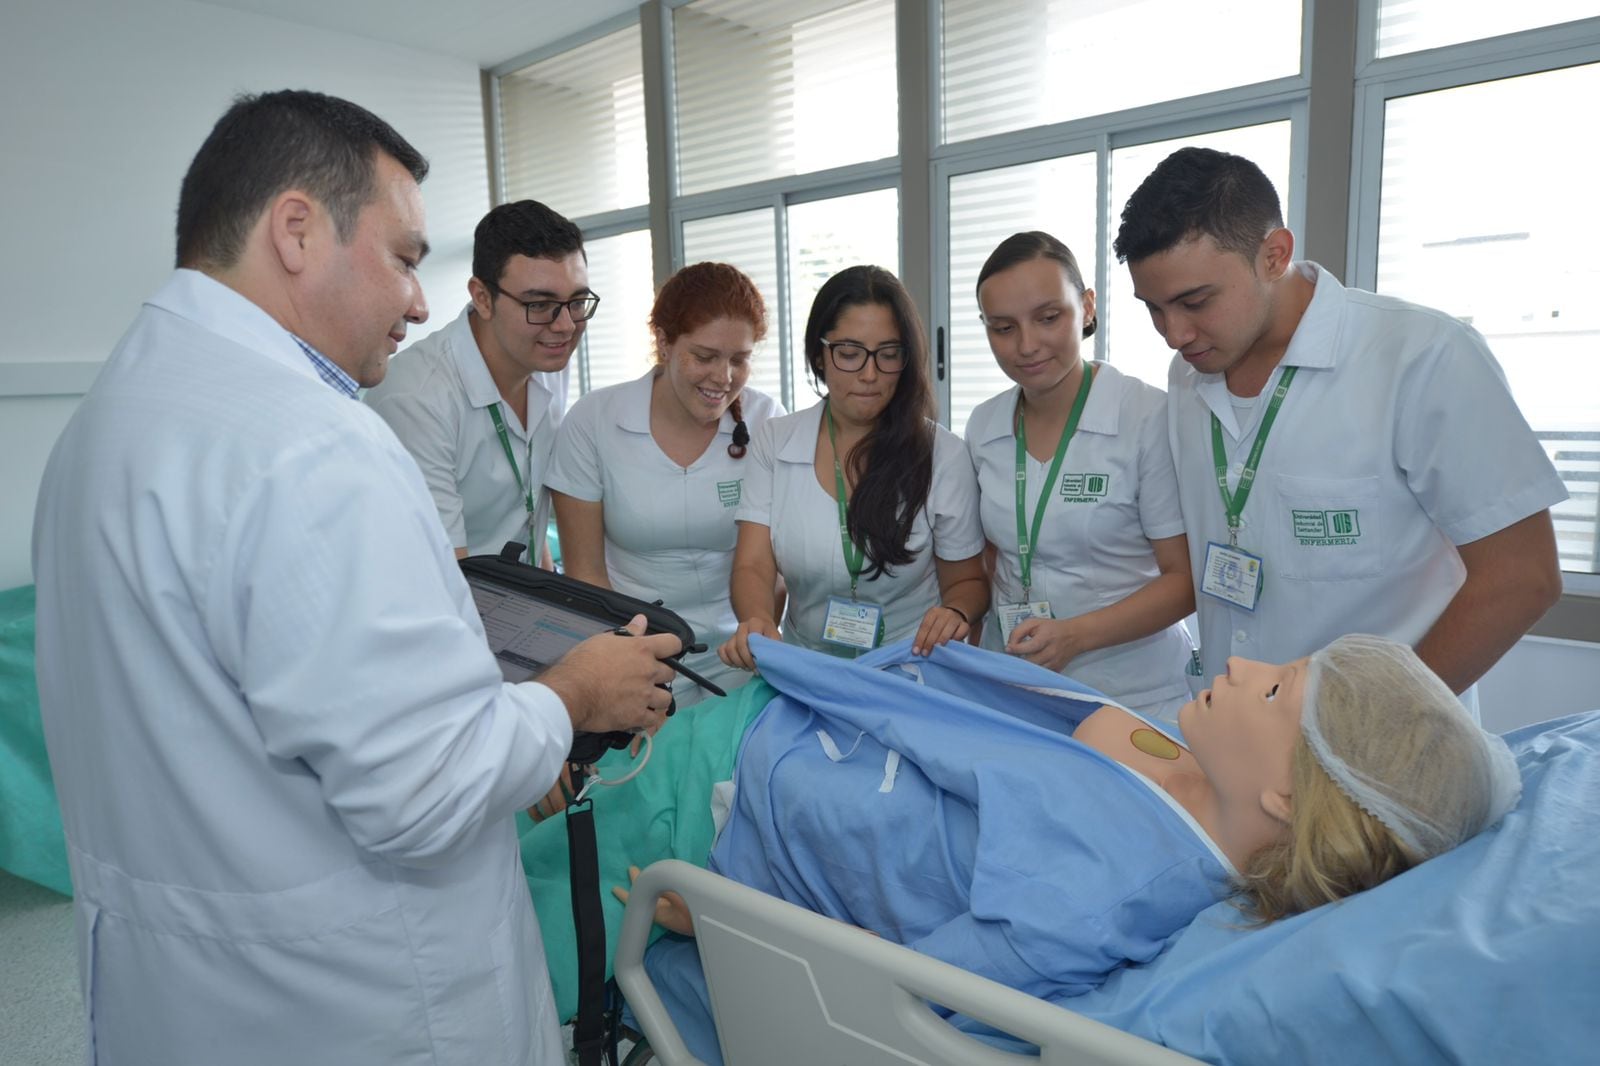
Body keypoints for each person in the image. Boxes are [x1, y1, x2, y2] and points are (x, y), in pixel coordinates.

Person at [29, 90, 681, 1066]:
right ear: (296, 229)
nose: (419, 302)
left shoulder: (108, 421)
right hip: (358, 1006)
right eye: (407, 258)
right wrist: (576, 691)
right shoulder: (313, 445)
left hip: (188, 994)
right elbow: (428, 780)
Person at [606, 632, 1518, 1011]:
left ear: (1286, 798)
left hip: (740, 800)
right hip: (799, 716)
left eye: (1275, 689)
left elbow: (912, 988)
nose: (1241, 662)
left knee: (531, 900)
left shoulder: (1106, 893)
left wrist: (734, 927)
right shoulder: (1186, 769)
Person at [1114, 147, 1567, 701]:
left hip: (1378, 755)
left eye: (1195, 301)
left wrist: (1369, 731)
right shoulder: (1188, 377)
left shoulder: (1420, 358)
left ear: (1275, 255)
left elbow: (1523, 578)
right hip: (1235, 742)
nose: (1173, 333)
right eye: (1153, 308)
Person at [966, 231, 1196, 720]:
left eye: (1049, 318)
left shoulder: (1146, 417)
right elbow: (991, 559)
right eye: (1002, 328)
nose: (1026, 345)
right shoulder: (983, 426)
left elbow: (1185, 580)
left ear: (1088, 308)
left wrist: (1076, 634)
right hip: (1014, 680)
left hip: (1131, 693)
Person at [718, 265, 988, 667]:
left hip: (910, 665)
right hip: (807, 664)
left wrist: (955, 613)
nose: (869, 374)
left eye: (888, 354)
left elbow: (967, 581)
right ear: (819, 355)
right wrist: (758, 621)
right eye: (849, 354)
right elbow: (754, 565)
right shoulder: (776, 442)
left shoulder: (942, 453)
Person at [547, 262, 785, 706]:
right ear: (664, 343)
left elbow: (775, 561)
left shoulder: (767, 420)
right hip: (634, 651)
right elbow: (586, 575)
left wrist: (761, 631)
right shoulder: (595, 421)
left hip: (741, 650)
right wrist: (619, 661)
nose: (724, 378)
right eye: (705, 356)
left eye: (740, 359)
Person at [365, 198, 595, 565]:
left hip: (521, 598)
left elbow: (528, 519)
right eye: (539, 305)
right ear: (482, 298)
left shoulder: (547, 358)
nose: (566, 325)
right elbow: (445, 577)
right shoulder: (416, 398)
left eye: (578, 301)